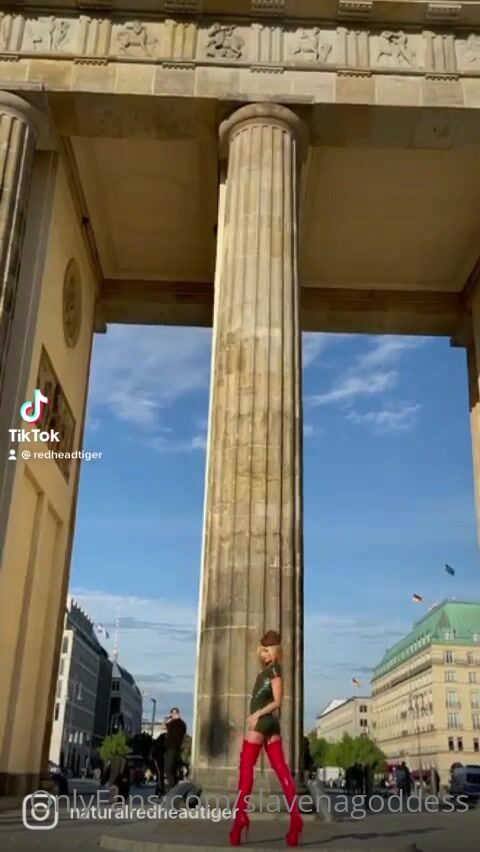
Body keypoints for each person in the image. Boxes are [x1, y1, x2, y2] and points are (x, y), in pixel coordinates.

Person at [229, 629, 303, 848]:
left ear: (276, 651)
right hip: (270, 725)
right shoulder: (271, 670)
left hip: (263, 722)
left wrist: (256, 715)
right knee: (281, 769)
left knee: (246, 768)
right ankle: (295, 819)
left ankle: (240, 817)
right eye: (262, 651)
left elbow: (278, 702)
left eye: (268, 650)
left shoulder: (274, 671)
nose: (264, 654)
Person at [165, 707, 187, 790]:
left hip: (173, 748)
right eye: (172, 714)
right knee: (172, 768)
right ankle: (173, 785)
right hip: (174, 748)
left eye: (175, 713)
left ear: (178, 714)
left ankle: (172, 786)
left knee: (169, 768)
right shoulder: (177, 723)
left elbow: (170, 728)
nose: (173, 715)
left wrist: (168, 722)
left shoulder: (178, 723)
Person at [152, 731, 167, 796]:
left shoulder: (158, 744)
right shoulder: (160, 744)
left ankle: (159, 789)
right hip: (159, 761)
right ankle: (160, 789)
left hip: (158, 761)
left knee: (160, 776)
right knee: (160, 775)